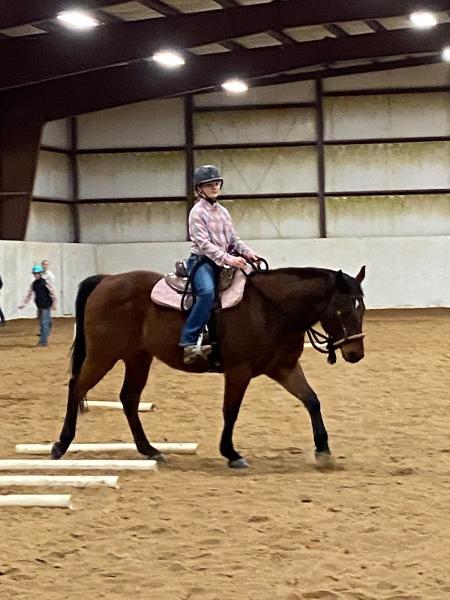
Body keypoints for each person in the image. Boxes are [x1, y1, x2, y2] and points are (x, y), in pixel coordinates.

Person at [179, 165, 258, 364]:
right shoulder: (196, 213)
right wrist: (229, 259)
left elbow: (233, 239)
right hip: (202, 262)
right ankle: (188, 341)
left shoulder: (223, 211)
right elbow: (204, 245)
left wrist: (249, 253)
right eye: (209, 184)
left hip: (223, 261)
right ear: (199, 189)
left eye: (216, 183)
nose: (214, 187)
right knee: (207, 293)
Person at [18, 265, 57, 347]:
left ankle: (43, 341)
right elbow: (29, 295)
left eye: (38, 273)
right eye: (35, 273)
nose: (36, 275)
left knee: (44, 323)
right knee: (44, 322)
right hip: (39, 305)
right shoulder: (34, 284)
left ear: (41, 274)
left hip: (46, 305)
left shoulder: (46, 283)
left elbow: (52, 293)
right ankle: (47, 330)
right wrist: (23, 304)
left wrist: (54, 303)